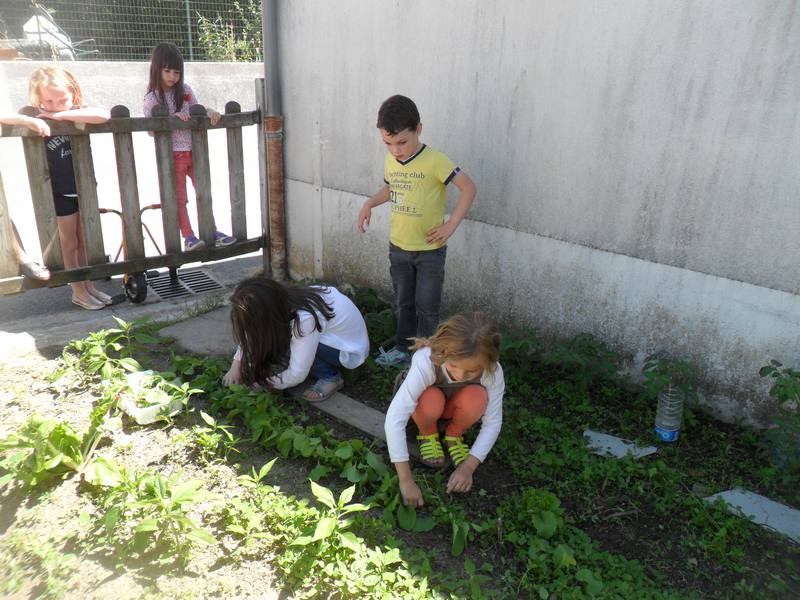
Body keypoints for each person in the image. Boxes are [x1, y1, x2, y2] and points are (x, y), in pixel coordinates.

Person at [357, 94, 477, 367]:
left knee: (427, 307)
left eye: (402, 142)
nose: (395, 150)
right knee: (403, 303)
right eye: (388, 143)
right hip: (398, 248)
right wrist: (369, 203)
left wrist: (451, 225)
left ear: (418, 129)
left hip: (429, 252)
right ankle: (403, 349)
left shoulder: (435, 160)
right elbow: (391, 187)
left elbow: (468, 187)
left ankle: (426, 359)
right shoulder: (391, 160)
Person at [384, 312, 504, 507]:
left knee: (477, 397)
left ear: (488, 362)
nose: (460, 375)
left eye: (472, 371)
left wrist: (469, 466)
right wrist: (405, 480)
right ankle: (427, 434)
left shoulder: (493, 372)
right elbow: (395, 417)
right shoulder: (427, 360)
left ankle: (453, 435)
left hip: (450, 412)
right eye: (454, 365)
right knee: (430, 398)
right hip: (421, 414)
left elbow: (493, 422)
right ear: (442, 350)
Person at [25, 67, 112, 309]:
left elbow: (104, 115)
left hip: (81, 188)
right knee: (69, 243)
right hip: (60, 191)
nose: (55, 106)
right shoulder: (37, 117)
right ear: (38, 99)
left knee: (83, 242)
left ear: (73, 93)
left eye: (62, 99)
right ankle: (77, 291)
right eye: (48, 101)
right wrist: (34, 119)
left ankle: (88, 286)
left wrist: (62, 115)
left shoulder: (76, 113)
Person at [143, 42, 236, 252]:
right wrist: (171, 119)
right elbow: (150, 129)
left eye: (176, 72)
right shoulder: (152, 98)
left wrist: (209, 111)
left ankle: (212, 231)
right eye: (167, 71)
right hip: (172, 155)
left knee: (204, 193)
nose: (172, 76)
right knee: (180, 199)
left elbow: (197, 109)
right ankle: (188, 237)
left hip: (195, 152)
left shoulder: (185, 90)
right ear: (156, 69)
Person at [221, 277, 370, 402]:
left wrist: (264, 384)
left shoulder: (304, 320)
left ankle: (330, 377)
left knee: (297, 346)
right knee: (288, 341)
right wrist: (236, 365)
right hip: (333, 335)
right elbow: (252, 332)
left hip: (347, 349)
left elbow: (297, 374)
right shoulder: (284, 301)